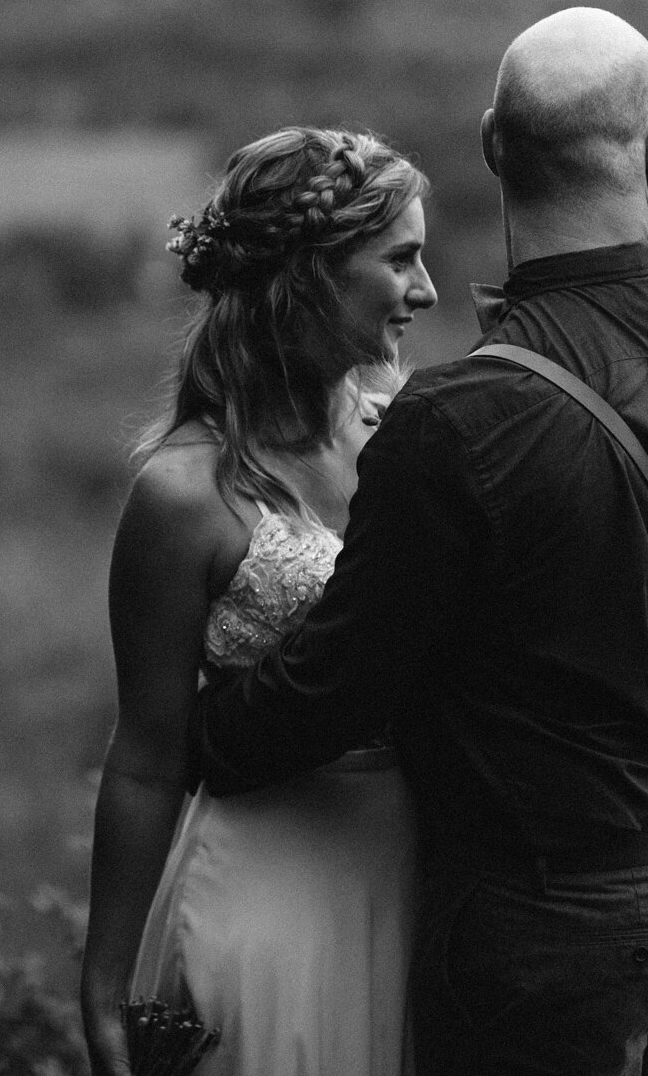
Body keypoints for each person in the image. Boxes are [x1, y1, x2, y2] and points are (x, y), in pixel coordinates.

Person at [190, 8, 648, 1076]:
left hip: (544, 914)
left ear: (491, 148)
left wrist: (198, 735)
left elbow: (336, 687)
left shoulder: (451, 423)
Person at [80, 125, 438, 1076]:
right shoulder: (182, 495)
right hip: (268, 900)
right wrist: (105, 980)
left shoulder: (411, 434)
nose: (428, 288)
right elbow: (147, 757)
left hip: (421, 881)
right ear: (315, 275)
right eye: (401, 259)